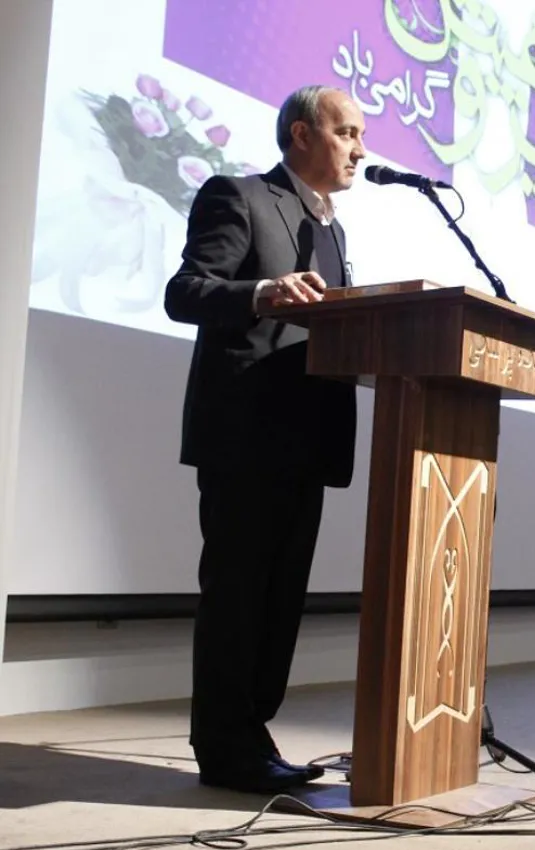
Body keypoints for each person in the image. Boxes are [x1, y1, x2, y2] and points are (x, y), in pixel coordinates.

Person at [163, 85, 367, 794]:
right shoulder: (239, 196)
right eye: (347, 133)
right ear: (302, 134)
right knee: (238, 595)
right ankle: (224, 746)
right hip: (246, 434)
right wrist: (259, 293)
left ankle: (253, 734)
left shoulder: (334, 232)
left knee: (280, 601)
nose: (360, 150)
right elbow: (185, 291)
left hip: (307, 438)